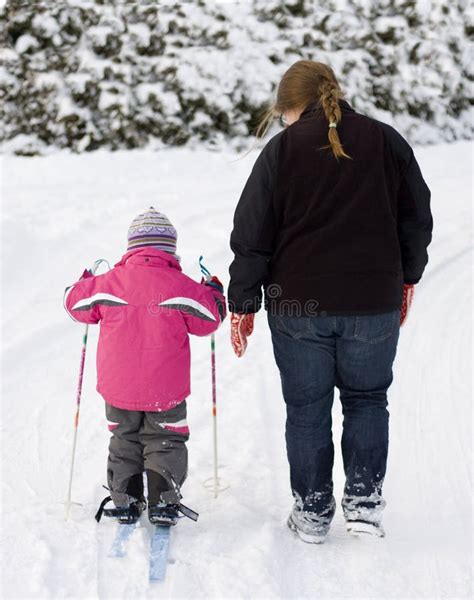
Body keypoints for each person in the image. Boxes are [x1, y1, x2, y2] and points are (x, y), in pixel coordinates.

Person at [228, 60, 432, 543]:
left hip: (297, 306)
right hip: (372, 301)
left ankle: (313, 513)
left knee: (305, 408)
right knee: (367, 399)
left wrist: (243, 302)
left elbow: (251, 232)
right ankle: (363, 505)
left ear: (291, 107)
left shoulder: (283, 151)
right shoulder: (386, 141)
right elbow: (416, 218)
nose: (283, 123)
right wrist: (407, 278)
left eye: (283, 115)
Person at [64, 207, 226, 525]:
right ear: (170, 250)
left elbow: (74, 303)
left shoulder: (108, 283)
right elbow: (211, 319)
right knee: (165, 438)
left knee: (124, 437)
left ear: (131, 248)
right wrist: (214, 292)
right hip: (165, 389)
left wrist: (85, 280)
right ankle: (163, 500)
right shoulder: (182, 285)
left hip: (118, 387)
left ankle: (125, 498)